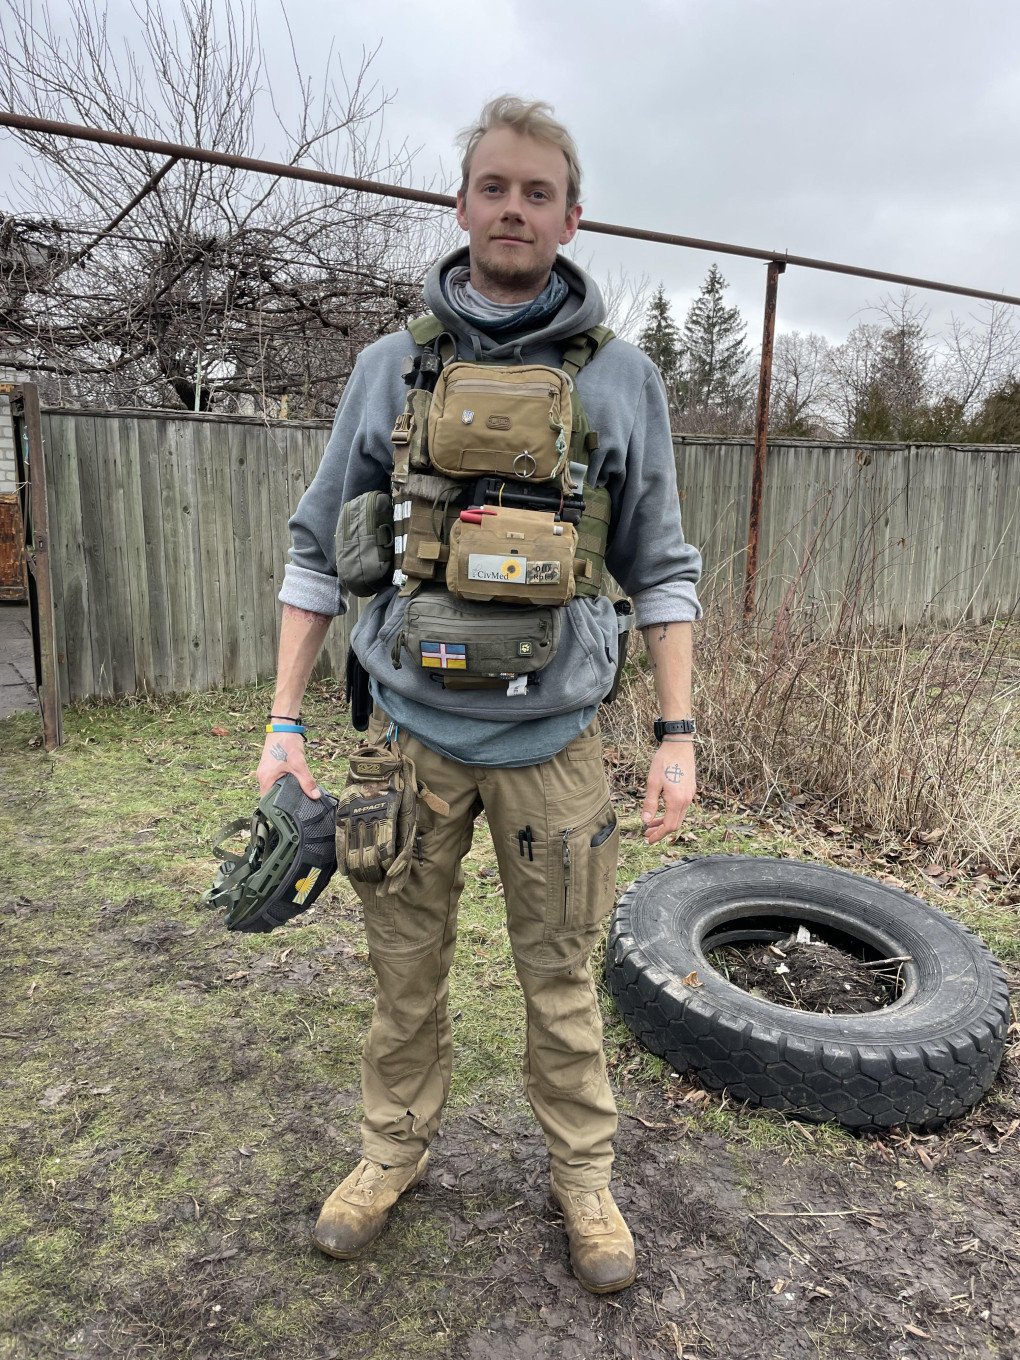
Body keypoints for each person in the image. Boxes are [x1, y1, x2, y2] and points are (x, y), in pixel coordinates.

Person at [257, 95, 702, 1295]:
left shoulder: (622, 382)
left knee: (561, 979)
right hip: (407, 741)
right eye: (493, 187)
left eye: (537, 191)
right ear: (461, 206)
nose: (513, 208)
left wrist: (675, 731)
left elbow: (662, 566)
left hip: (556, 748)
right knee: (403, 977)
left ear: (570, 215)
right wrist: (284, 721)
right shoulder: (386, 368)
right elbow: (313, 551)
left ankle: (585, 1183)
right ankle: (387, 1157)